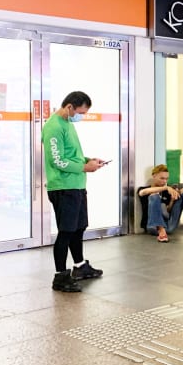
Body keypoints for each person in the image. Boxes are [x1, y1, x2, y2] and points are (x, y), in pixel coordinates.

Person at [41, 91, 106, 293]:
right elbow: (57, 160)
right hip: (63, 187)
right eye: (81, 112)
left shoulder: (68, 124)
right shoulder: (53, 127)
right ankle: (60, 276)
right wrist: (84, 168)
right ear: (69, 107)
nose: (82, 116)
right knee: (66, 231)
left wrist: (88, 160)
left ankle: (79, 267)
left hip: (76, 185)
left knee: (78, 228)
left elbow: (71, 155)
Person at [137, 164, 183, 242]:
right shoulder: (144, 189)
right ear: (154, 176)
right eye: (162, 178)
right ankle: (161, 230)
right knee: (154, 196)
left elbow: (167, 211)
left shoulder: (167, 192)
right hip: (153, 227)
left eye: (166, 179)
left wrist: (172, 200)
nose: (164, 181)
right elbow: (142, 192)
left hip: (169, 226)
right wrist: (166, 187)